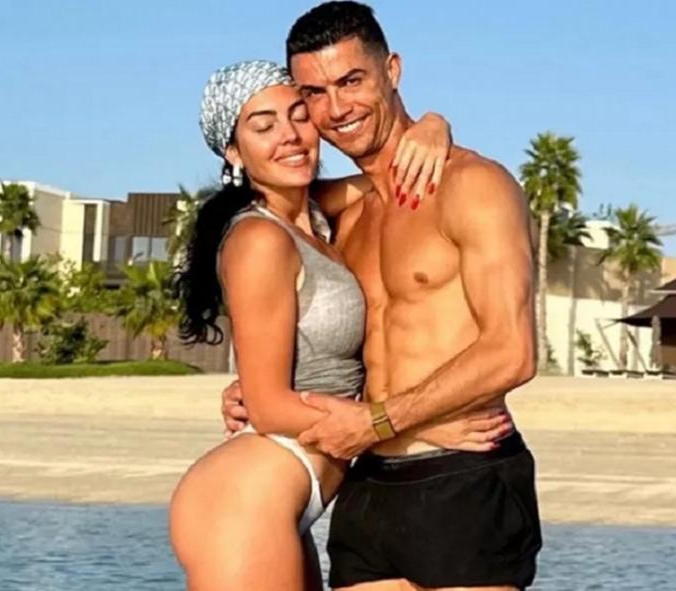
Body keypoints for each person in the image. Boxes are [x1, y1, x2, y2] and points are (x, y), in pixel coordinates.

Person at [222, 2, 541, 590]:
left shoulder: (473, 186)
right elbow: (262, 207)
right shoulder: (338, 214)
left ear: (391, 70)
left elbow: (512, 352)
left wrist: (377, 421)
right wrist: (262, 391)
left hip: (465, 478)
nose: (337, 108)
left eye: (352, 81)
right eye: (315, 93)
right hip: (367, 485)